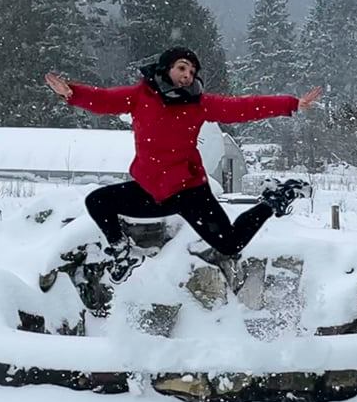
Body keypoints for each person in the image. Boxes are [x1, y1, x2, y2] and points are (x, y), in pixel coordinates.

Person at [44, 46, 322, 282]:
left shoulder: (199, 104)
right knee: (97, 201)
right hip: (151, 191)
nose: (188, 75)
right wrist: (72, 94)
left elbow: (244, 106)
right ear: (166, 68)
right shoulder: (140, 96)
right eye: (182, 68)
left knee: (230, 243)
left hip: (189, 192)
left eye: (192, 72)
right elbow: (105, 100)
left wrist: (291, 104)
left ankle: (274, 199)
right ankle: (120, 251)